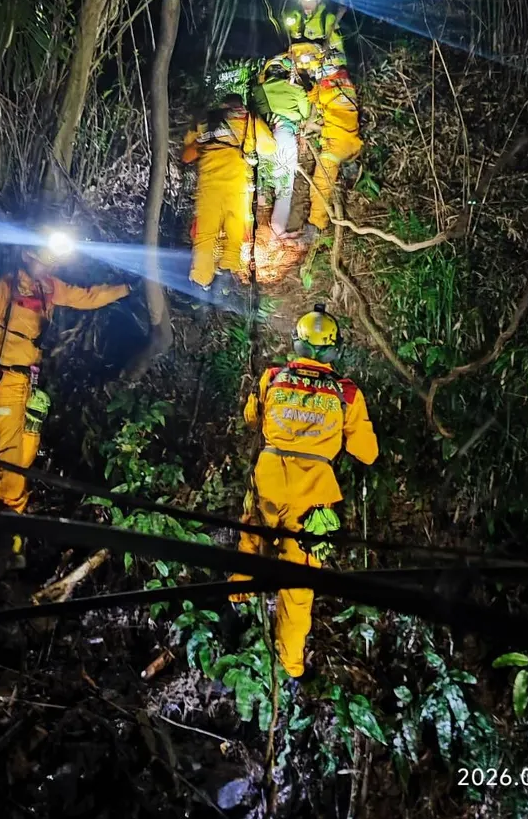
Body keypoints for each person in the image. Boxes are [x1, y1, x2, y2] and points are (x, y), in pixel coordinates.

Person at [230, 305, 378, 680]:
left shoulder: (272, 377)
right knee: (298, 584)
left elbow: (251, 418)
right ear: (333, 350)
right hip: (312, 501)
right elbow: (368, 453)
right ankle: (291, 664)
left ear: (296, 343)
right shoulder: (347, 393)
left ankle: (238, 611)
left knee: (250, 547)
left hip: (267, 483)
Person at [0, 239, 130, 569]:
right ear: (28, 256)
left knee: (23, 456)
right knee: (5, 459)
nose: (49, 266)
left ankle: (12, 545)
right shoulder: (6, 286)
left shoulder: (49, 288)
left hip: (26, 382)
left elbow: (86, 297)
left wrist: (126, 288)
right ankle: (6, 541)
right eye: (45, 260)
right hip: (1, 379)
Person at [182, 94, 276, 294]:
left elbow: (187, 156)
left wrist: (206, 142)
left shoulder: (204, 120)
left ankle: (200, 284)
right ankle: (225, 280)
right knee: (235, 234)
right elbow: (270, 147)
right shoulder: (249, 119)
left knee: (205, 236)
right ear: (241, 105)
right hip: (238, 186)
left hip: (209, 187)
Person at [296, 52, 363, 246]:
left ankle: (316, 226)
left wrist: (310, 126)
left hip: (336, 145)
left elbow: (316, 102)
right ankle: (350, 166)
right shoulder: (344, 83)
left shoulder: (326, 88)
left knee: (320, 185)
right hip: (352, 141)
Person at [252, 53, 311, 237]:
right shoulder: (296, 91)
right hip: (286, 136)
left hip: (265, 139)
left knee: (263, 184)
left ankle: (260, 230)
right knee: (284, 191)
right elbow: (305, 114)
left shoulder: (259, 90)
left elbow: (258, 109)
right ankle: (278, 230)